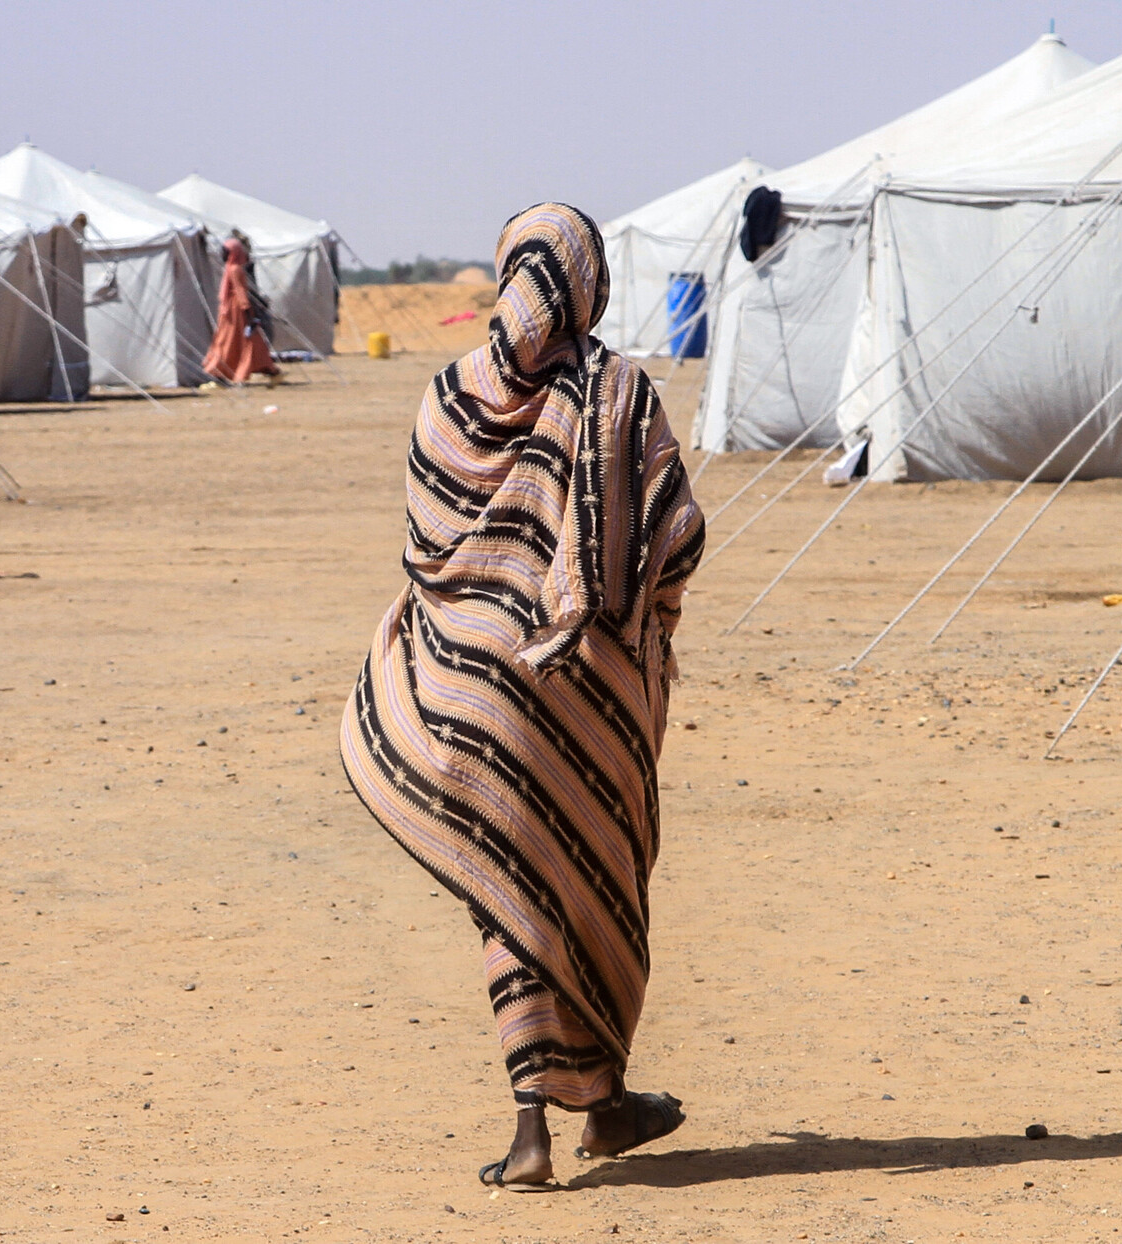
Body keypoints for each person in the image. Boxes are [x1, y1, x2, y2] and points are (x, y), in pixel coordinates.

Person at [338, 203, 705, 1188]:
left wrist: (470, 631)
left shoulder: (448, 396)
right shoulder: (621, 392)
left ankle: (536, 1125)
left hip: (467, 695)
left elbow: (422, 550)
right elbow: (674, 535)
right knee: (589, 877)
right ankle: (608, 1097)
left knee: (510, 896)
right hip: (584, 688)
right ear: (589, 285)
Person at [202, 232, 278, 386]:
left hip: (235, 311)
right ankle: (224, 373)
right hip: (230, 310)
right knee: (232, 342)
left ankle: (221, 373)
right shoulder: (232, 268)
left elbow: (240, 291)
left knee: (228, 341)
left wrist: (247, 310)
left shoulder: (235, 269)